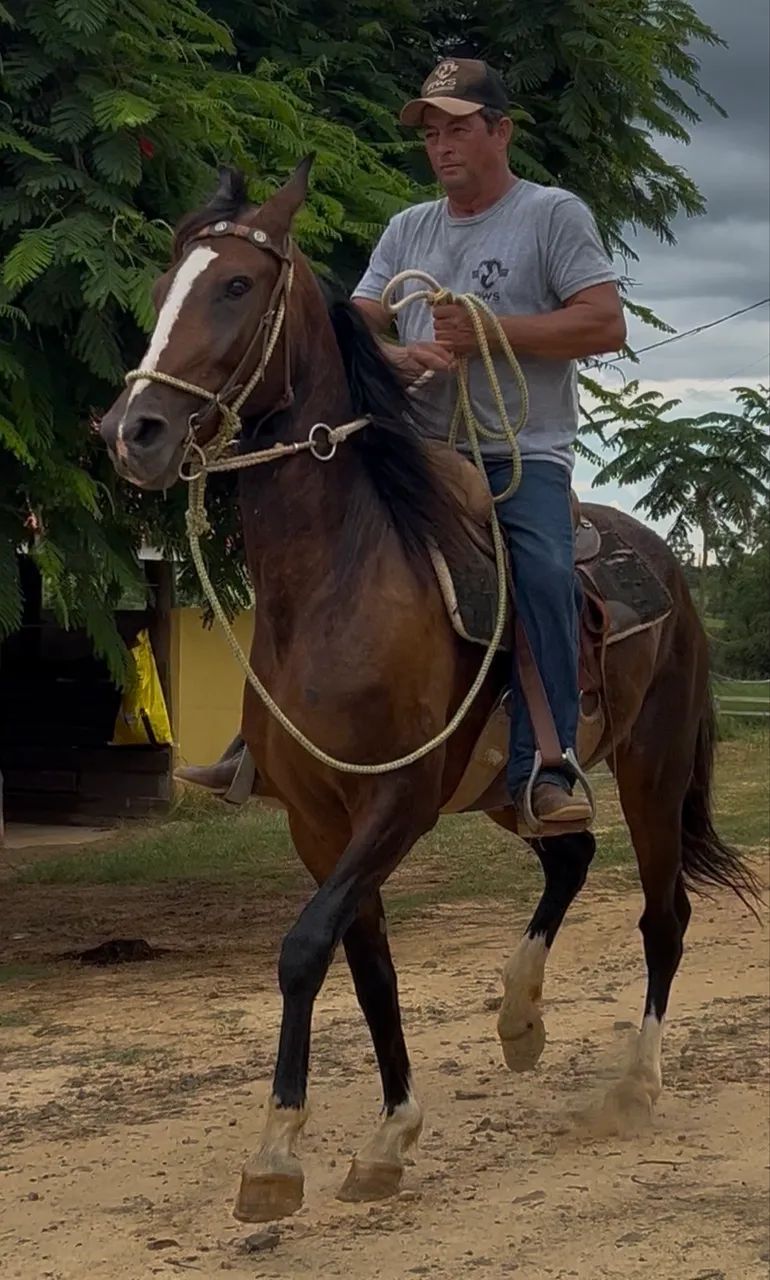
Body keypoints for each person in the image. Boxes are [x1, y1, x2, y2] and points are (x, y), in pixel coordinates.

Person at [177, 58, 626, 828]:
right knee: (303, 547)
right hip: (412, 444)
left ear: (501, 132)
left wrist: (490, 332)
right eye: (431, 133)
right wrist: (394, 355)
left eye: (458, 129)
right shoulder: (409, 227)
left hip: (520, 450)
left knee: (545, 573)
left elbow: (604, 323)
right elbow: (352, 326)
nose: (441, 145)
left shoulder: (552, 215)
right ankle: (264, 738)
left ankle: (546, 765)